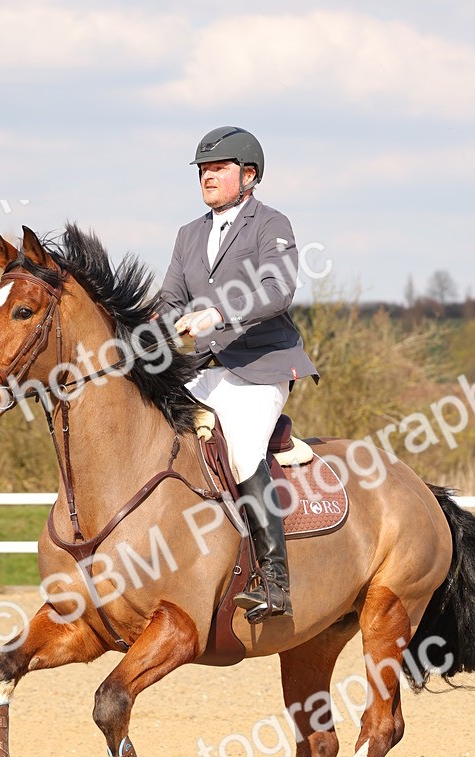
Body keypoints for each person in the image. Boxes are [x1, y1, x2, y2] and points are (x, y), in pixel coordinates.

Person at [158, 126, 318, 622]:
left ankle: (274, 583)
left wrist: (217, 313)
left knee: (243, 452)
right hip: (203, 366)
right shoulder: (188, 234)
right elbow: (169, 300)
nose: (207, 175)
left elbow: (276, 289)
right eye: (203, 169)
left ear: (248, 175)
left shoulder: (270, 224)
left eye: (218, 168)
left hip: (259, 365)